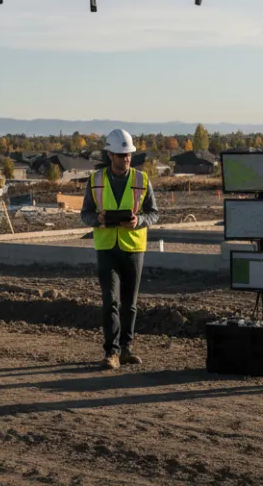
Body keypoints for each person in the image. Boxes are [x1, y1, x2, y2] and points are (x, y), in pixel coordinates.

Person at [80, 128, 159, 370]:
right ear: (109, 155)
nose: (125, 159)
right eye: (120, 155)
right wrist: (99, 220)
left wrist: (139, 222)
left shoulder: (141, 180)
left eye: (128, 155)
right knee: (110, 301)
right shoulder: (95, 181)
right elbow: (85, 214)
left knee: (130, 303)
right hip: (106, 248)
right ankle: (111, 352)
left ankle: (126, 349)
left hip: (133, 248)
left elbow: (153, 214)